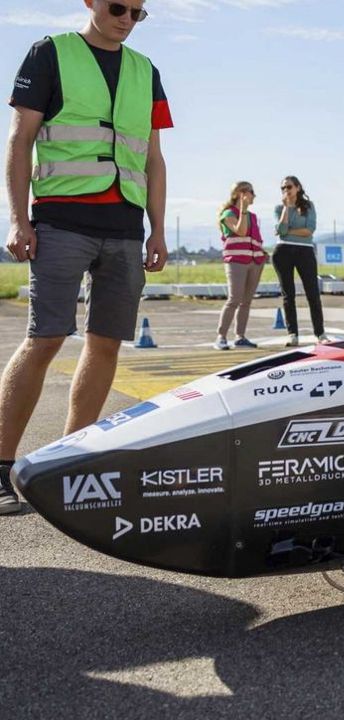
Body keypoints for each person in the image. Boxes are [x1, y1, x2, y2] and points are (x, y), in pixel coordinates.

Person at [1, 0, 170, 515]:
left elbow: (153, 157)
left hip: (125, 227)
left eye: (138, 13)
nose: (127, 18)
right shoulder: (50, 54)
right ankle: (1, 467)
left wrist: (158, 228)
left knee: (105, 346)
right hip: (61, 220)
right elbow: (21, 138)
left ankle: (70, 464)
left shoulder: (146, 71)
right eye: (119, 7)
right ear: (91, 2)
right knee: (46, 337)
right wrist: (18, 218)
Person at [273, 175, 329, 345]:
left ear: (297, 187)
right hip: (283, 251)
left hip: (305, 251)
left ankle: (320, 334)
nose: (286, 191)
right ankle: (292, 334)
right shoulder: (278, 208)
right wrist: (286, 209)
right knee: (288, 295)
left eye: (289, 187)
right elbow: (281, 230)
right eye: (283, 188)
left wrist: (288, 231)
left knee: (312, 293)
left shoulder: (308, 206)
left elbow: (309, 230)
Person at [215, 181, 266, 350]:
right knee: (234, 299)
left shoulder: (253, 217)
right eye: (251, 192)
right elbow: (241, 231)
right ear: (240, 193)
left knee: (246, 301)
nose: (254, 196)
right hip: (236, 262)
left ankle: (240, 336)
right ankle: (221, 336)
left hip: (255, 262)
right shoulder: (228, 213)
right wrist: (243, 210)